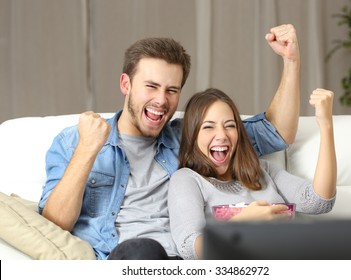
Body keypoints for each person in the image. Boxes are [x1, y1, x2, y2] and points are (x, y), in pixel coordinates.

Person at [38, 24, 301, 260]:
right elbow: (55, 224)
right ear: (125, 84)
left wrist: (291, 62)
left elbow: (275, 132)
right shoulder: (74, 141)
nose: (162, 100)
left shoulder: (189, 136)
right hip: (130, 260)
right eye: (151, 86)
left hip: (189, 262)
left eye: (172, 90)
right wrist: (87, 150)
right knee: (144, 250)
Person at [168, 88, 337, 260]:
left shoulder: (263, 170)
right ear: (192, 136)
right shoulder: (186, 179)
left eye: (230, 126)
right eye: (208, 127)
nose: (221, 135)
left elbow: (318, 202)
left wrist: (326, 126)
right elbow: (190, 250)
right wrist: (240, 222)